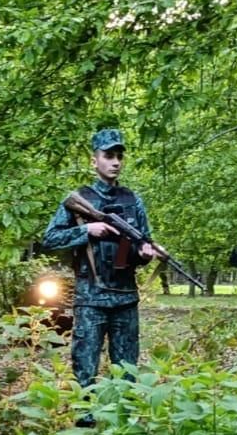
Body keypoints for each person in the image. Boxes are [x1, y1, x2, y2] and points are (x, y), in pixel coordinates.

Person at [39, 128, 160, 398]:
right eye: (108, 156)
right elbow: (50, 239)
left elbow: (144, 242)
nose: (115, 162)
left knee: (127, 371)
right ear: (94, 161)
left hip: (125, 298)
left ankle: (123, 422)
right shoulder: (79, 199)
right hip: (91, 299)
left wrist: (146, 253)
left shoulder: (132, 200)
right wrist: (87, 231)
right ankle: (84, 425)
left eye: (119, 156)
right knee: (85, 368)